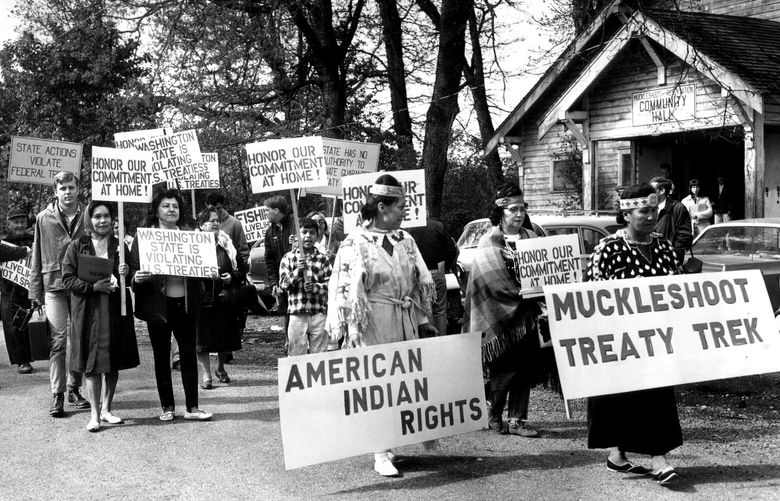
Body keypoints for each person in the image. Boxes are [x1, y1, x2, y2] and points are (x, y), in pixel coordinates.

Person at [326, 174, 435, 477]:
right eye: (400, 206)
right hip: (373, 321)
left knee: (403, 384)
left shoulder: (406, 239)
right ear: (383, 207)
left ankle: (390, 442)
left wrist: (423, 320)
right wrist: (352, 330)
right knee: (378, 385)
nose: (404, 211)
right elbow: (344, 291)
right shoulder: (356, 243)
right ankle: (378, 451)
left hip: (404, 318)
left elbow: (419, 283)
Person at [585, 184, 683, 487]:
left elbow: (677, 286)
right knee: (621, 398)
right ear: (627, 213)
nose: (652, 216)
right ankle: (628, 456)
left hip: (657, 338)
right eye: (645, 210)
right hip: (622, 341)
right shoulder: (609, 249)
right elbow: (590, 295)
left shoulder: (663, 245)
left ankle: (651, 457)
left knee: (657, 394)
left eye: (655, 209)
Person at [462, 184, 545, 439]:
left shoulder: (532, 238)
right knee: (505, 368)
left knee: (526, 367)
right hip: (502, 314)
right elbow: (489, 281)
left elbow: (546, 270)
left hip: (530, 314)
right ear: (501, 212)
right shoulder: (490, 241)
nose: (518, 214)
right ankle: (495, 413)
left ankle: (518, 419)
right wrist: (519, 293)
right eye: (513, 209)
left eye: (522, 209)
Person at [128, 189, 213, 422]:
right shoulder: (144, 238)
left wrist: (208, 264)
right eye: (166, 206)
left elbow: (204, 270)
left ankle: (192, 408)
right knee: (161, 356)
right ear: (156, 211)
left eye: (175, 206)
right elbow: (133, 270)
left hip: (185, 305)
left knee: (188, 354)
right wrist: (137, 277)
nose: (171, 210)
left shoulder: (189, 236)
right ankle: (167, 406)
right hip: (158, 307)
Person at [61, 202, 139, 432]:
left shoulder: (121, 245)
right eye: (97, 216)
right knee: (91, 361)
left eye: (106, 216)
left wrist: (126, 273)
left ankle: (107, 409)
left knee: (112, 359)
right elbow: (67, 279)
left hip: (115, 309)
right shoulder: (76, 246)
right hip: (88, 310)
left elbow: (135, 273)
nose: (102, 221)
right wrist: (92, 287)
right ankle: (94, 414)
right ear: (89, 219)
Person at [29, 171, 89, 417]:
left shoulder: (89, 214)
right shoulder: (43, 218)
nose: (67, 192)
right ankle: (58, 394)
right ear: (56, 191)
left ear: (78, 189)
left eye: (71, 187)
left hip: (80, 284)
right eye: (62, 188)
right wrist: (35, 290)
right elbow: (36, 254)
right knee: (58, 341)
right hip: (53, 285)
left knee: (78, 339)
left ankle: (74, 388)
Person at [193, 208, 243, 389]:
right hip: (202, 299)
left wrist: (231, 277)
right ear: (200, 225)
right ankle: (206, 374)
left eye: (217, 221)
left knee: (224, 336)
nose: (215, 224)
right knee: (203, 339)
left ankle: (220, 367)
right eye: (210, 221)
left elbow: (240, 270)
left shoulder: (226, 244)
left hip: (224, 298)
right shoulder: (192, 246)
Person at [279, 218, 333, 356]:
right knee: (297, 352)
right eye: (304, 232)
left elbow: (331, 285)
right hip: (297, 313)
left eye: (312, 233)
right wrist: (297, 272)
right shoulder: (289, 258)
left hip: (318, 312)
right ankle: (299, 378)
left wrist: (315, 287)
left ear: (317, 235)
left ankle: (318, 377)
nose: (308, 236)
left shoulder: (323, 259)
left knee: (319, 353)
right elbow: (283, 285)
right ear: (297, 235)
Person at [409, 216, 458, 336]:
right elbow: (451, 250)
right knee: (440, 311)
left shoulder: (410, 230)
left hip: (420, 275)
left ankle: (431, 343)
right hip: (438, 271)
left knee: (426, 312)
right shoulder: (439, 226)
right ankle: (442, 341)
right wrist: (445, 266)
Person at [0, 208, 34, 374]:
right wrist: (23, 252)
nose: (20, 225)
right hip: (10, 290)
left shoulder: (34, 240)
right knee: (13, 326)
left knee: (32, 323)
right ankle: (22, 361)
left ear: (27, 223)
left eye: (22, 221)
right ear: (8, 224)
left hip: (30, 288)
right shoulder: (3, 243)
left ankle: (35, 354)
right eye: (16, 222)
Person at [264, 195, 295, 320]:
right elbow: (269, 260)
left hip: (297, 281)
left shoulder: (297, 225)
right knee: (286, 315)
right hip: (282, 284)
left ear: (276, 210)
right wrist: (273, 283)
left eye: (267, 210)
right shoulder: (269, 232)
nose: (265, 214)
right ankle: (288, 340)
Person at [650, 176, 692, 263]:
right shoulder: (648, 209)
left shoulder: (678, 208)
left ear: (662, 191)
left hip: (671, 259)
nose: (649, 193)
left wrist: (675, 252)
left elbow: (684, 235)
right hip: (652, 258)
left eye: (652, 190)